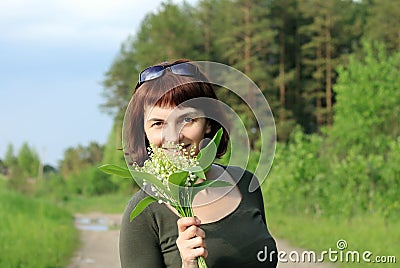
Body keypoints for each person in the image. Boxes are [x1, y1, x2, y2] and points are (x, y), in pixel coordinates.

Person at [120, 59, 277, 268]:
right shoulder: (142, 213)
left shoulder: (246, 184)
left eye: (186, 119)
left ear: (209, 123)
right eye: (158, 123)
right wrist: (188, 264)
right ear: (144, 133)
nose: (173, 137)